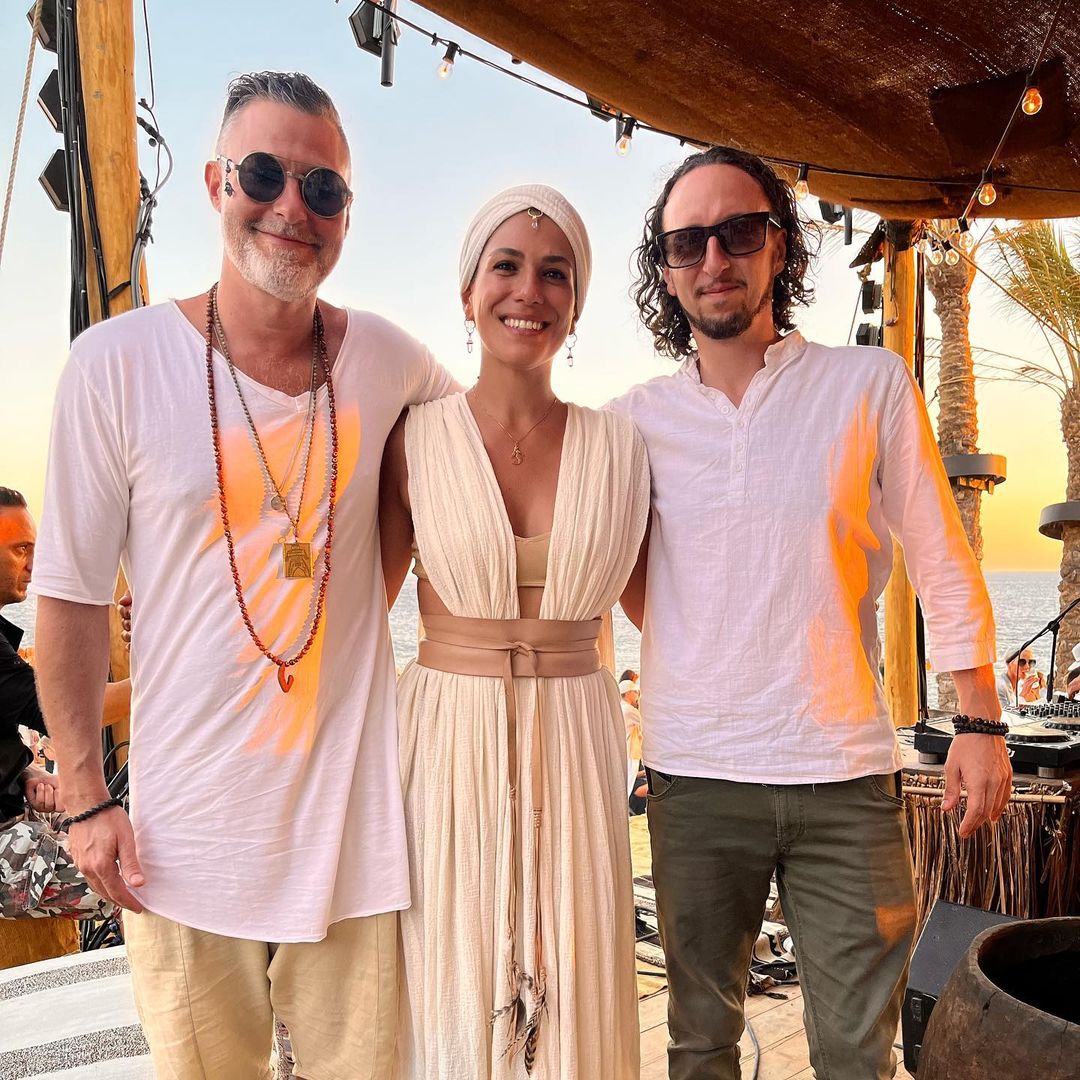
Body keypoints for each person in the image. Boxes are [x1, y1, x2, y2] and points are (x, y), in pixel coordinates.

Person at [31, 72, 455, 1079]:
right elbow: (70, 596)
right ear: (218, 181)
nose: (291, 207)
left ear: (347, 211)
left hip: (353, 844)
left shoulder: (391, 359)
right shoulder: (116, 363)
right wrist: (85, 798)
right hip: (183, 846)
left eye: (324, 188)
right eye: (264, 174)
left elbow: (475, 457)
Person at [611, 146, 1012, 1080]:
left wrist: (981, 719)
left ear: (781, 246)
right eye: (687, 242)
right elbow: (627, 573)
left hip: (843, 775)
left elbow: (940, 553)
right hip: (695, 776)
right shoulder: (632, 420)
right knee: (699, 1044)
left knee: (854, 1056)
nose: (714, 258)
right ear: (665, 270)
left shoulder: (867, 385)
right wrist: (703, 641)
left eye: (738, 231)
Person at [379, 185, 649, 1079]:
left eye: (554, 273)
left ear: (576, 302)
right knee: (452, 981)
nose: (528, 290)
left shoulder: (622, 448)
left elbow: (667, 611)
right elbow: (354, 613)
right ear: (468, 292)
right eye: (506, 266)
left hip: (577, 736)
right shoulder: (413, 441)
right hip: (448, 743)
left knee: (579, 980)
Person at [0, 487, 122, 920]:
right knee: (142, 882)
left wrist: (23, 773)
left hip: (20, 815)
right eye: (20, 549)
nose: (34, 564)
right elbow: (67, 714)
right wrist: (168, 679)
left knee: (146, 835)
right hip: (6, 848)